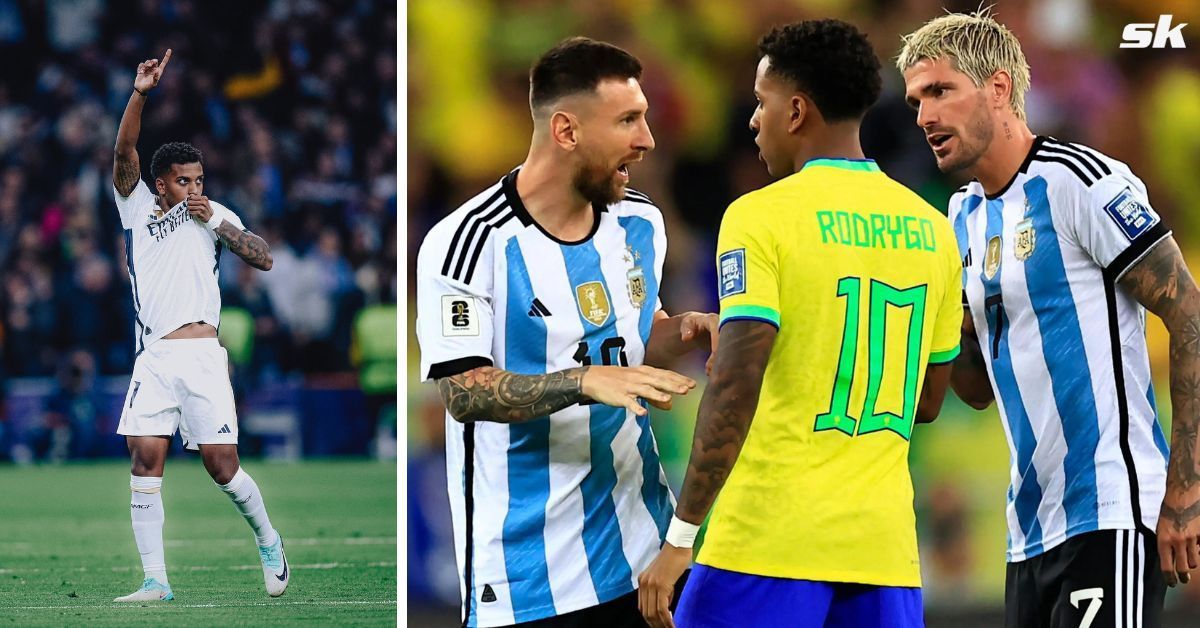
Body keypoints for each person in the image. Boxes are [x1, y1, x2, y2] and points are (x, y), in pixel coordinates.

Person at [637, 20, 961, 628]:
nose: (753, 120)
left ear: (795, 110)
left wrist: (682, 537)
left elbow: (735, 382)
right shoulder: (933, 229)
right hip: (883, 555)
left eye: (761, 103)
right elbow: (926, 400)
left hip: (767, 542)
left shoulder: (760, 217)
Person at [897, 11, 1200, 627]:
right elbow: (977, 391)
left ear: (999, 89)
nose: (924, 116)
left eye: (940, 91)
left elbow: (1189, 314)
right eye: (915, 100)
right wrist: (943, 319)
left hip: (1111, 511)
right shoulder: (960, 219)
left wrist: (1185, 491)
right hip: (1028, 532)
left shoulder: (1079, 183)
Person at [416, 37, 718, 628]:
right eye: (628, 120)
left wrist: (681, 332)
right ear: (566, 130)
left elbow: (629, 336)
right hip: (527, 572)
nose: (647, 140)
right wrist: (583, 382)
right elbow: (463, 392)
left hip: (644, 548)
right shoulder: (469, 242)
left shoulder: (640, 222)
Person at [111, 49, 287, 602]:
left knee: (222, 467)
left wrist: (220, 223)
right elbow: (123, 150)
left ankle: (268, 539)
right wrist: (140, 93)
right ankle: (155, 581)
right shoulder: (136, 208)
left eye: (200, 179)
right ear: (160, 183)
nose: (194, 188)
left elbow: (263, 258)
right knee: (145, 457)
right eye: (185, 181)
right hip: (155, 357)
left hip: (204, 356)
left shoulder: (213, 214)